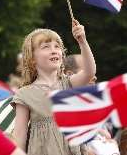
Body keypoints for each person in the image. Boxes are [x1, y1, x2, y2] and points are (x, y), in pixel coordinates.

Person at [11, 18, 96, 155]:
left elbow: (89, 72)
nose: (54, 50)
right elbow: (20, 134)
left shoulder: (68, 83)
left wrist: (82, 41)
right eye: (46, 47)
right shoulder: (24, 94)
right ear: (32, 58)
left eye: (57, 47)